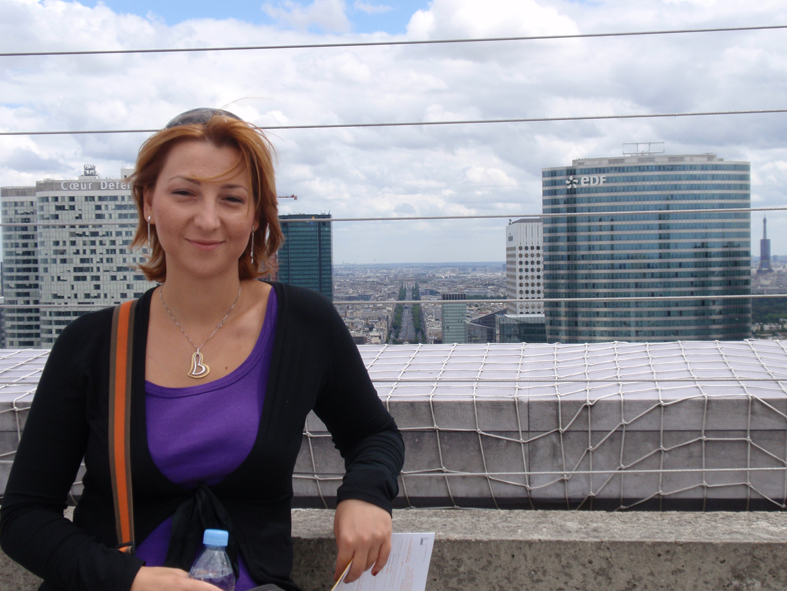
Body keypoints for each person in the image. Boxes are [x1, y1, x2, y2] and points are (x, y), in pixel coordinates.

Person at [0, 108, 405, 591]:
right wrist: (131, 581)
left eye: (231, 198)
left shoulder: (304, 325)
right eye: (184, 192)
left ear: (256, 215)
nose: (208, 219)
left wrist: (365, 494)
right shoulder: (91, 344)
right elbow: (23, 515)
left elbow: (373, 434)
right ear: (148, 201)